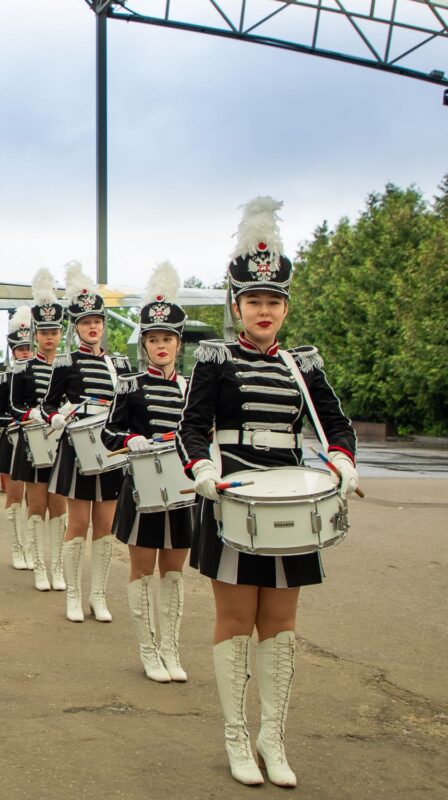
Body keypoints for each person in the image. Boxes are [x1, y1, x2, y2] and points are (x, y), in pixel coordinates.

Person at [176, 197, 357, 787]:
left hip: (292, 504)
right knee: (234, 617)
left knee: (280, 623)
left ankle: (272, 738)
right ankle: (235, 738)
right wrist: (201, 470)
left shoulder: (303, 364)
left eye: (272, 301)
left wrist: (342, 463)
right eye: (253, 300)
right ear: (237, 305)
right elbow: (191, 427)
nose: (263, 310)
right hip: (232, 498)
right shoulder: (215, 359)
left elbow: (336, 425)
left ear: (284, 307)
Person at [102, 262, 193, 683]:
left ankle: (171, 648)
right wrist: (129, 441)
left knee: (174, 574)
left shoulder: (192, 388)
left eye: (167, 339)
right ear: (144, 344)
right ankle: (148, 650)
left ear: (178, 343)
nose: (161, 346)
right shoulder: (130, 385)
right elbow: (108, 435)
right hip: (143, 490)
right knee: (142, 571)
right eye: (153, 339)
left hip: (184, 490)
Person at [36, 262, 132, 622]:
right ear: (76, 327)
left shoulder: (119, 364)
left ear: (104, 326)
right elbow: (46, 405)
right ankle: (73, 595)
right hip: (77, 451)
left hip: (109, 449)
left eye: (98, 322)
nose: (93, 327)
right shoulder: (65, 362)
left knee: (105, 527)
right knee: (77, 525)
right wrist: (58, 416)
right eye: (86, 322)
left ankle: (98, 596)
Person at [14, 268, 68, 591]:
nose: (49, 337)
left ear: (60, 334)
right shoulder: (23, 368)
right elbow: (14, 406)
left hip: (61, 441)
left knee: (59, 506)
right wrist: (33, 413)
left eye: (54, 331)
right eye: (43, 331)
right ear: (35, 334)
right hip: (33, 441)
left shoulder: (67, 366)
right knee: (36, 506)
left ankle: (58, 567)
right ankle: (38, 568)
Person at [0, 307, 35, 571]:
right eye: (20, 349)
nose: (25, 353)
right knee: (15, 496)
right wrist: (18, 420)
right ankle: (17, 546)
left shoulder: (44, 374)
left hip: (40, 441)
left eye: (28, 347)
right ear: (13, 351)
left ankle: (31, 546)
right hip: (12, 440)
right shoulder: (4, 379)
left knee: (37, 499)